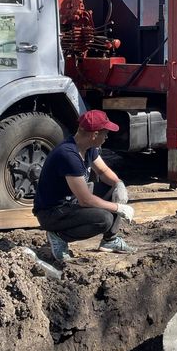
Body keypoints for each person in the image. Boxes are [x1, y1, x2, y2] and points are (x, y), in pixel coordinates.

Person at [33, 109, 135, 260]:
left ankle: (110, 241)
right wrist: (118, 208)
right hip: (52, 212)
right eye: (105, 133)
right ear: (94, 135)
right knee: (103, 219)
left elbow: (103, 170)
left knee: (112, 189)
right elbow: (85, 200)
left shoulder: (88, 148)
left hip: (70, 201)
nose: (106, 137)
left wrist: (119, 184)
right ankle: (59, 236)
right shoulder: (68, 155)